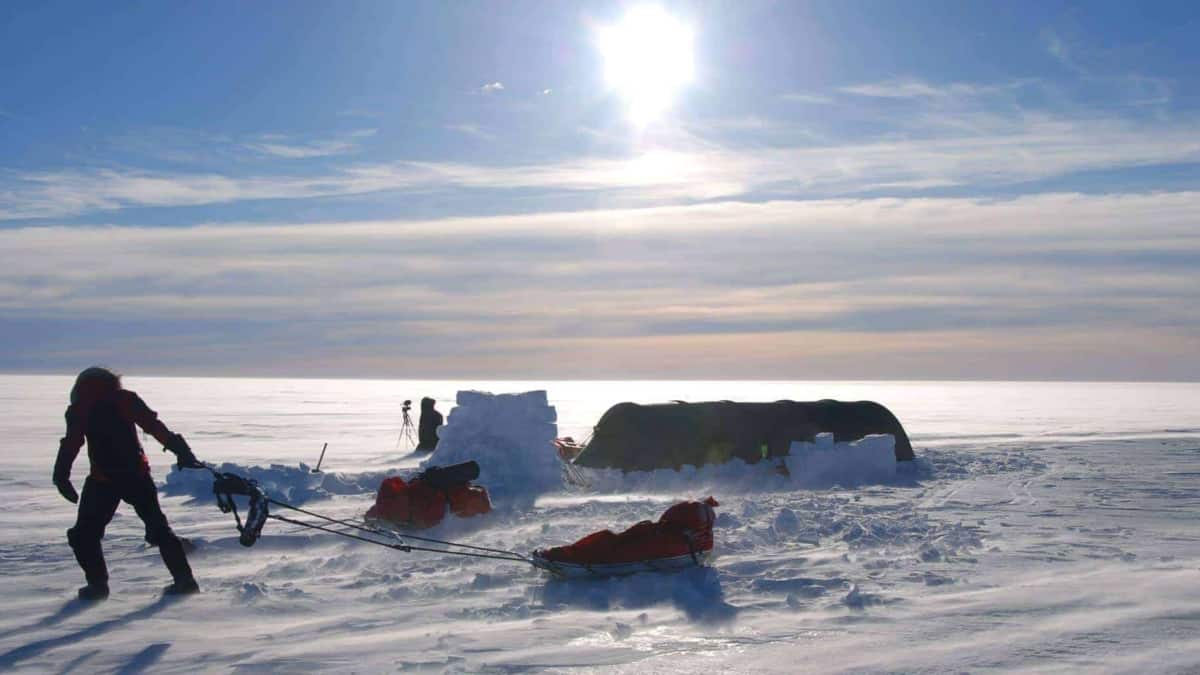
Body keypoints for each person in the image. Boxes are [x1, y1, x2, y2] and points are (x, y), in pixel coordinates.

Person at [53, 367, 205, 601]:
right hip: (136, 476)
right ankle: (185, 581)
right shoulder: (124, 399)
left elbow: (71, 443)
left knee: (84, 534)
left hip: (104, 480)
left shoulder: (81, 408)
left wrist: (61, 475)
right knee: (159, 530)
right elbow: (154, 426)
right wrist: (181, 450)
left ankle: (97, 586)